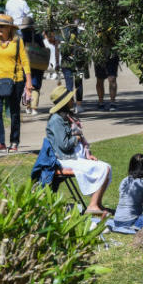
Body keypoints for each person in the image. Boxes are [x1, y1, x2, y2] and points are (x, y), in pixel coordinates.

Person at [45, 85, 111, 214]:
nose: (73, 100)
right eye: (70, 99)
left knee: (107, 167)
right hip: (65, 159)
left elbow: (81, 139)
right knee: (104, 168)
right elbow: (64, 145)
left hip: (77, 157)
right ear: (64, 103)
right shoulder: (56, 120)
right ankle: (92, 206)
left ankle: (97, 203)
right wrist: (77, 138)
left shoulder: (68, 116)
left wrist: (88, 155)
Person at [0, 14, 32, 152]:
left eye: (2, 26)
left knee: (14, 112)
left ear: (9, 28)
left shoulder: (17, 41)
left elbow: (24, 61)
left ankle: (14, 142)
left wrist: (29, 82)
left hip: (16, 80)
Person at [106, 153, 143, 234]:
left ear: (131, 166)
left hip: (117, 219)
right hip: (130, 221)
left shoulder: (125, 180)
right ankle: (136, 226)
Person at [59, 23, 86, 114]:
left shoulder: (63, 33)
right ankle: (78, 105)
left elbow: (60, 50)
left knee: (69, 85)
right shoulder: (82, 33)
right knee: (79, 84)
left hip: (66, 64)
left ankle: (70, 106)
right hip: (80, 65)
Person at [94, 35, 119, 111]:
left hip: (112, 55)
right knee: (100, 79)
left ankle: (112, 102)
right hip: (99, 55)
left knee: (112, 79)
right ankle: (101, 102)